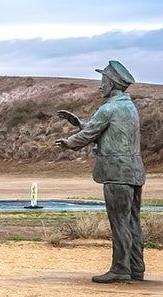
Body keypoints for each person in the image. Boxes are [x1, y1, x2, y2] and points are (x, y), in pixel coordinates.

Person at [55, 60, 145, 283]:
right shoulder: (128, 107)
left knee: (119, 222)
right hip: (133, 171)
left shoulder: (109, 108)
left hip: (116, 172)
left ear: (112, 83)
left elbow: (91, 134)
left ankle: (120, 269)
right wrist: (79, 123)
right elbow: (103, 128)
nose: (100, 86)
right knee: (132, 221)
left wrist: (70, 143)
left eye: (103, 81)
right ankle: (136, 267)